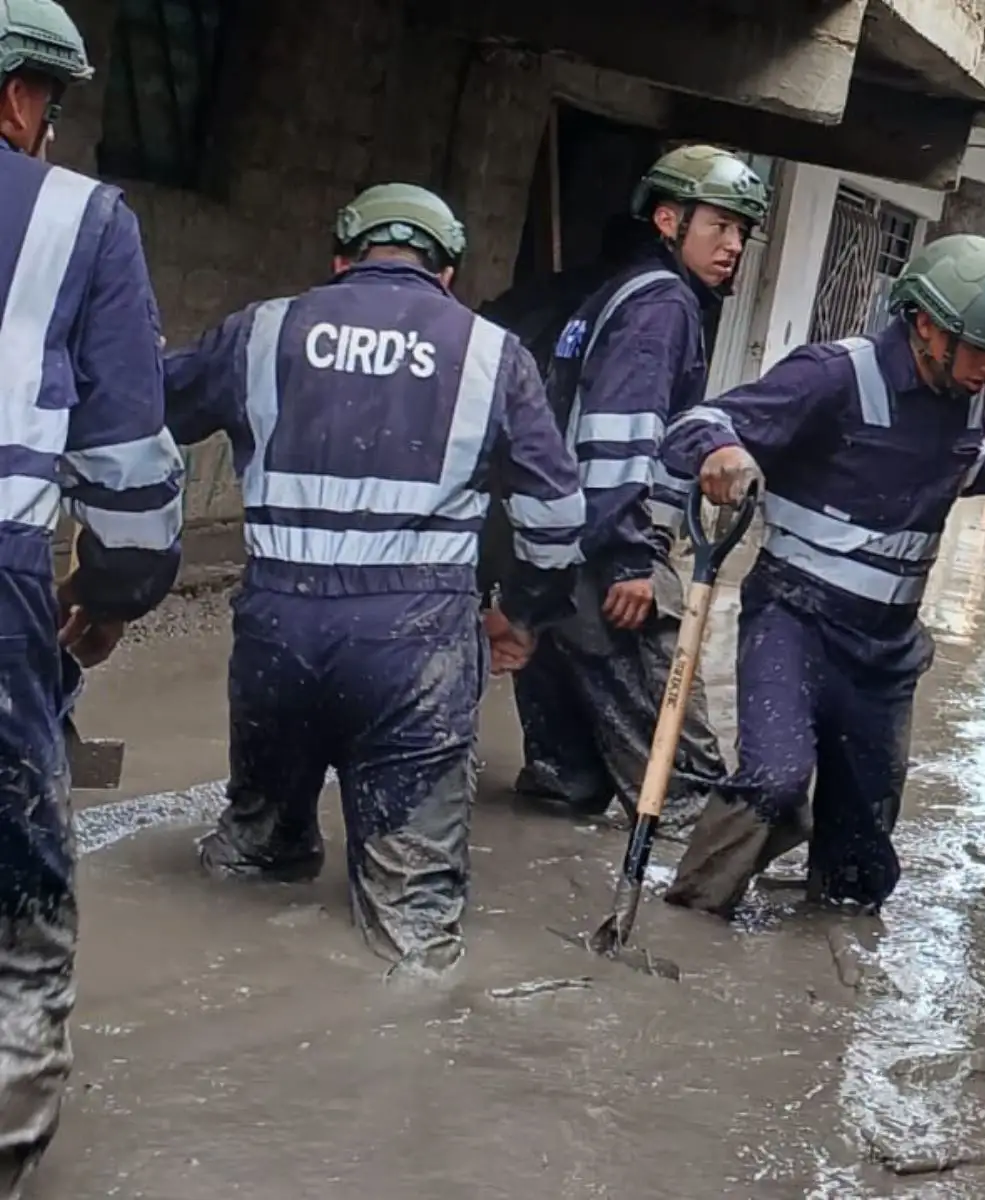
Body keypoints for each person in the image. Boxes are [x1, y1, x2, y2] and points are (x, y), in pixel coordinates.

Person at [162, 184, 584, 971]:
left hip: (276, 640)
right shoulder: (492, 354)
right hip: (414, 652)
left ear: (340, 258)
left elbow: (144, 412)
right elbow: (557, 518)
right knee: (412, 929)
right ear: (447, 272)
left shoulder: (260, 331)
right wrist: (522, 615)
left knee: (254, 862)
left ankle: (213, 969)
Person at [658, 234, 985, 917]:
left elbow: (964, 464)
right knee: (776, 778)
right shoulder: (833, 376)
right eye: (977, 348)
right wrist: (720, 450)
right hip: (793, 622)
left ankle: (825, 927)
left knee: (860, 870)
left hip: (884, 652)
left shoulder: (963, 397)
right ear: (925, 325)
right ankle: (691, 911)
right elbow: (699, 420)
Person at [0, 0, 185, 1188]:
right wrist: (113, 592)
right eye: (50, 107)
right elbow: (124, 463)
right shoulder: (76, 220)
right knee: (18, 880)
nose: (50, 134)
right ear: (18, 95)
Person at [507, 145, 769, 827]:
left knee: (566, 778)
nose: (734, 245)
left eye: (743, 232)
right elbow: (617, 440)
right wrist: (630, 561)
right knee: (685, 789)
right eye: (720, 226)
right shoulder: (663, 306)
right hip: (607, 562)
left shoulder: (614, 292)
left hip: (552, 550)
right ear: (667, 219)